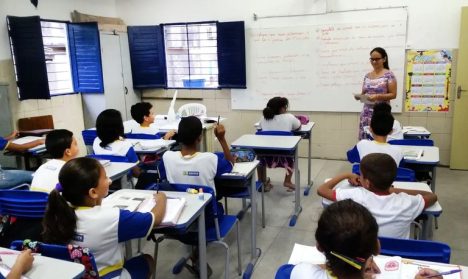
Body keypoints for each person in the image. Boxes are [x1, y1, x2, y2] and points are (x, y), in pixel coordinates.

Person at [41, 157, 167, 279]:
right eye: (106, 178)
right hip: (108, 275)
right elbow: (155, 218)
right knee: (147, 261)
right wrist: (162, 198)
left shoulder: (58, 212)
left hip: (75, 274)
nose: (110, 181)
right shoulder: (111, 218)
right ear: (93, 192)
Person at [290, 199, 442, 279]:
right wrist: (358, 263)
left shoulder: (303, 272)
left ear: (319, 246)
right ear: (377, 247)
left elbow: (287, 271)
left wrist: (353, 263)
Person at [317, 153, 438, 239]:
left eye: (361, 176)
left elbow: (322, 190)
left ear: (367, 183)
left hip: (364, 254)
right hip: (396, 259)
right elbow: (432, 196)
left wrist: (346, 175)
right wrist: (392, 190)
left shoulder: (355, 195)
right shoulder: (407, 202)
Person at [159, 116, 235, 197]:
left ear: (179, 136)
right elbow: (230, 163)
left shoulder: (167, 157)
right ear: (199, 138)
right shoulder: (210, 159)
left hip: (179, 206)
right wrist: (221, 138)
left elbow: (162, 177)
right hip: (207, 208)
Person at [258, 97, 301, 192]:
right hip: (285, 153)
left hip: (265, 152)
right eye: (285, 107)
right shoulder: (289, 117)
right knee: (293, 154)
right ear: (281, 108)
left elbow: (260, 129)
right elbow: (298, 127)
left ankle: (262, 182)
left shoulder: (263, 118)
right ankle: (287, 181)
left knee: (259, 159)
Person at [357, 47, 397, 140]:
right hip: (366, 114)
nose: (374, 62)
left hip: (381, 114)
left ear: (384, 59)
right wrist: (359, 97)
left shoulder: (389, 75)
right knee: (365, 141)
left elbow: (393, 94)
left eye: (377, 59)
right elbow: (364, 93)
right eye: (372, 59)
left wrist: (377, 96)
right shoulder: (367, 75)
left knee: (378, 142)